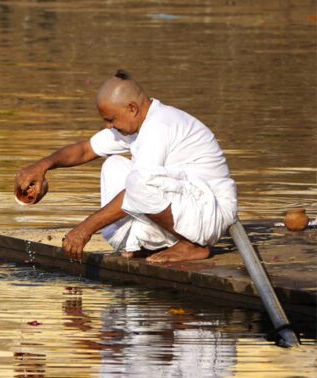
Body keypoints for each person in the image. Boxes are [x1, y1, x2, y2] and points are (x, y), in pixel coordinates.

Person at [14, 70, 237, 263]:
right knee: (113, 164)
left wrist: (85, 229)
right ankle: (150, 243)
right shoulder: (132, 125)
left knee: (137, 181)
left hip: (209, 213)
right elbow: (85, 149)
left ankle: (194, 245)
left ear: (132, 108)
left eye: (111, 119)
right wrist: (42, 166)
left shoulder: (159, 125)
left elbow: (139, 187)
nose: (108, 126)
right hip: (185, 209)